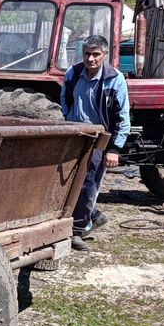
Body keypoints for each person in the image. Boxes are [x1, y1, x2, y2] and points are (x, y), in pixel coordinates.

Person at [60, 35, 130, 251]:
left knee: (89, 184)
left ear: (104, 55)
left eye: (95, 54)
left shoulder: (114, 79)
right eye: (87, 54)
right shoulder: (73, 74)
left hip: (99, 139)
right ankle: (92, 216)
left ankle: (78, 230)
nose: (90, 59)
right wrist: (68, 120)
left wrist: (114, 149)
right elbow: (65, 100)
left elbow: (122, 117)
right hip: (75, 135)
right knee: (67, 180)